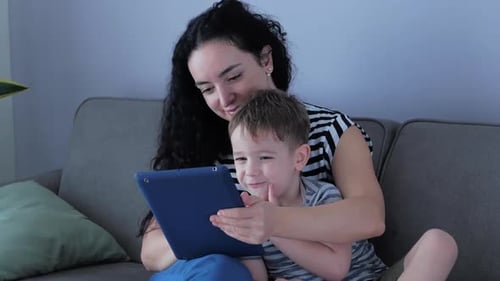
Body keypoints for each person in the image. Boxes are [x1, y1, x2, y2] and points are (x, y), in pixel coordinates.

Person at [138, 0, 458, 280]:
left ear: (266, 59)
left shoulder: (331, 130)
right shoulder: (200, 143)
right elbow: (151, 250)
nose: (224, 99)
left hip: (359, 272)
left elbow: (369, 217)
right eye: (207, 88)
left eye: (233, 76)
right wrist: (219, 230)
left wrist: (273, 221)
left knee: (438, 243)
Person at [228, 89, 457, 281]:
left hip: (372, 277)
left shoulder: (323, 196)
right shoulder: (244, 216)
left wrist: (273, 228)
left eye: (265, 158)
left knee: (439, 242)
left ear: (299, 158)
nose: (250, 170)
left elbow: (336, 268)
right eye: (241, 159)